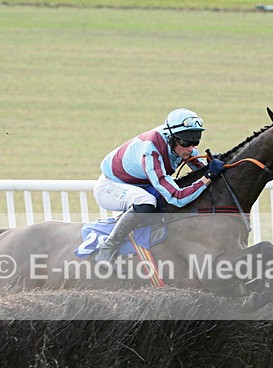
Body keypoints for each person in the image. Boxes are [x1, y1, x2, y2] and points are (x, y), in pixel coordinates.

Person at [93, 108, 225, 265]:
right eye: (185, 142)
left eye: (195, 142)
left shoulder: (181, 143)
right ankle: (106, 249)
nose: (190, 148)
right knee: (146, 202)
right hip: (111, 185)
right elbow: (177, 197)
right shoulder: (151, 151)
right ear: (171, 138)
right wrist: (208, 176)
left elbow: (202, 169)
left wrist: (212, 166)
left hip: (140, 183)